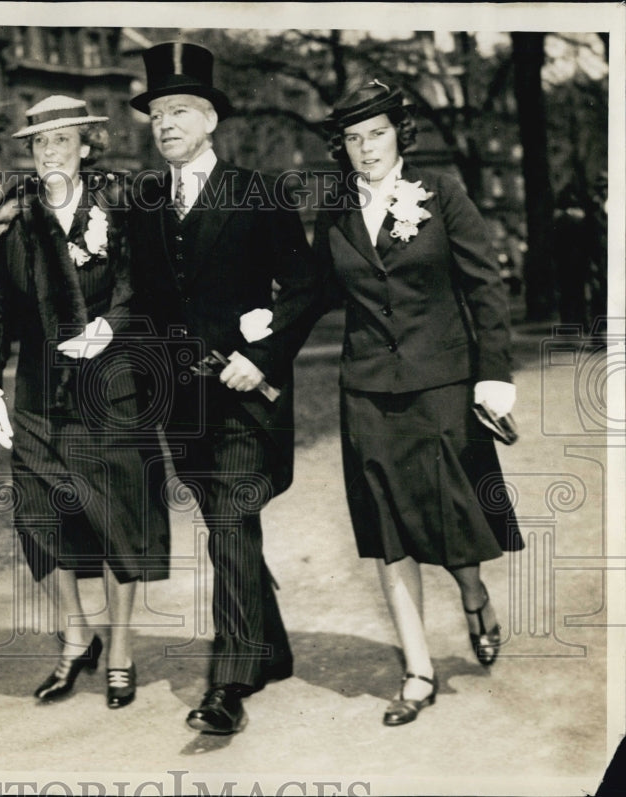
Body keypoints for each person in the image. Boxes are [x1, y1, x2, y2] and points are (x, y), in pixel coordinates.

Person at [312, 80, 524, 726]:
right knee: (386, 529)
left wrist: (494, 375)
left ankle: (473, 591)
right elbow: (311, 292)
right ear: (341, 148)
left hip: (442, 387)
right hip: (367, 393)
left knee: (450, 516)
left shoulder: (443, 196)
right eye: (351, 138)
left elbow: (486, 288)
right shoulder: (334, 211)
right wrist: (261, 330)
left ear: (398, 135)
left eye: (375, 133)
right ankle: (418, 669)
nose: (364, 148)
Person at [128, 42, 321, 734]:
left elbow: (307, 286)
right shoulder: (144, 202)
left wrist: (262, 354)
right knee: (223, 530)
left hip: (245, 400)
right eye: (155, 113)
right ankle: (271, 649)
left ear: (210, 119)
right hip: (181, 407)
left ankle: (228, 682)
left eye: (178, 110)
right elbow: (141, 303)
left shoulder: (258, 190)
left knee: (233, 523)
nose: (165, 123)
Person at [0, 95, 171, 710]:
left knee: (117, 517)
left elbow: (140, 285)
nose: (50, 153)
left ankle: (118, 650)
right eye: (40, 144)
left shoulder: (117, 205)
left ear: (87, 146)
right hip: (38, 395)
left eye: (63, 141)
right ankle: (74, 641)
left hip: (109, 388)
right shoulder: (13, 218)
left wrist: (112, 326)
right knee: (46, 518)